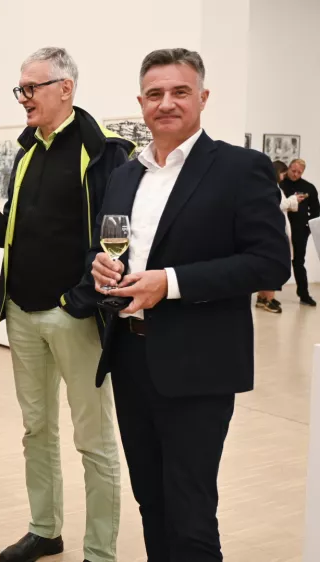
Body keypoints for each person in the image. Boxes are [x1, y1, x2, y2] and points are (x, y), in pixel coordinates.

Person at [87, 48, 289, 560]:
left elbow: (270, 264)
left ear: (203, 97)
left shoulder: (240, 169)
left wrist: (171, 283)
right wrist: (99, 266)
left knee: (191, 513)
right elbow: (105, 247)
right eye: (154, 94)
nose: (166, 103)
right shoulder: (124, 175)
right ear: (140, 103)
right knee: (150, 501)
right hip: (130, 358)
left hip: (199, 364)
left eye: (179, 91)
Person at [0, 47, 131, 562]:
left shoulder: (103, 151)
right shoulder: (26, 152)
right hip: (21, 313)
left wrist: (78, 300)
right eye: (20, 88)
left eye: (31, 88)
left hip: (73, 316)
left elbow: (116, 235)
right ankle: (44, 530)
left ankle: (100, 551)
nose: (23, 97)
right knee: (36, 430)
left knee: (94, 440)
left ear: (66, 88)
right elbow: (27, 225)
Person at [256, 160, 298, 313]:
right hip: (273, 233)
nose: (284, 176)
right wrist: (293, 200)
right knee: (273, 266)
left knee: (268, 265)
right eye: (283, 173)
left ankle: (262, 297)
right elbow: (276, 205)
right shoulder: (271, 188)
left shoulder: (267, 186)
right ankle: (269, 299)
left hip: (271, 231)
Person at [280, 158, 319, 305]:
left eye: (299, 172)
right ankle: (268, 297)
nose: (295, 174)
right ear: (288, 168)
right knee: (275, 260)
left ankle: (304, 294)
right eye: (293, 170)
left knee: (298, 262)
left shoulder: (309, 188)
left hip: (300, 231)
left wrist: (308, 229)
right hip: (281, 229)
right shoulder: (280, 185)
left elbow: (316, 212)